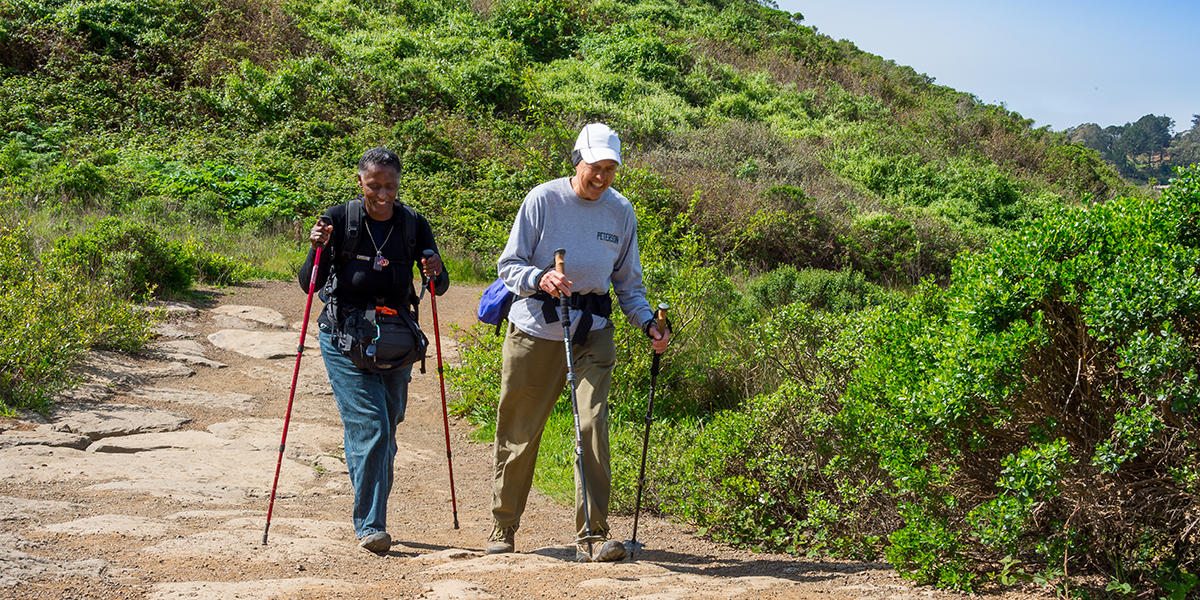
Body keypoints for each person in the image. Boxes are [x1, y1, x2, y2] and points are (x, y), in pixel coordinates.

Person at [485, 123, 670, 562]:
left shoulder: (620, 211)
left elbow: (628, 285)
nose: (602, 177)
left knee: (592, 426)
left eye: (610, 169)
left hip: (593, 333)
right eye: (595, 167)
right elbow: (508, 264)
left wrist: (647, 324)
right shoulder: (543, 199)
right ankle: (503, 525)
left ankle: (593, 535)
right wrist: (539, 277)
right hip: (536, 331)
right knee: (521, 431)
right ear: (577, 160)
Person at [298, 147, 449, 554]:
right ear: (360, 181)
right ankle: (370, 525)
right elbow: (308, 283)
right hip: (344, 338)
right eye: (374, 185)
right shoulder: (339, 220)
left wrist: (434, 270)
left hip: (396, 340)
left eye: (390, 185)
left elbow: (438, 286)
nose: (382, 193)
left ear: (398, 183)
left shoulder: (413, 224)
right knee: (374, 427)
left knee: (386, 426)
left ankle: (368, 488)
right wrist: (316, 249)